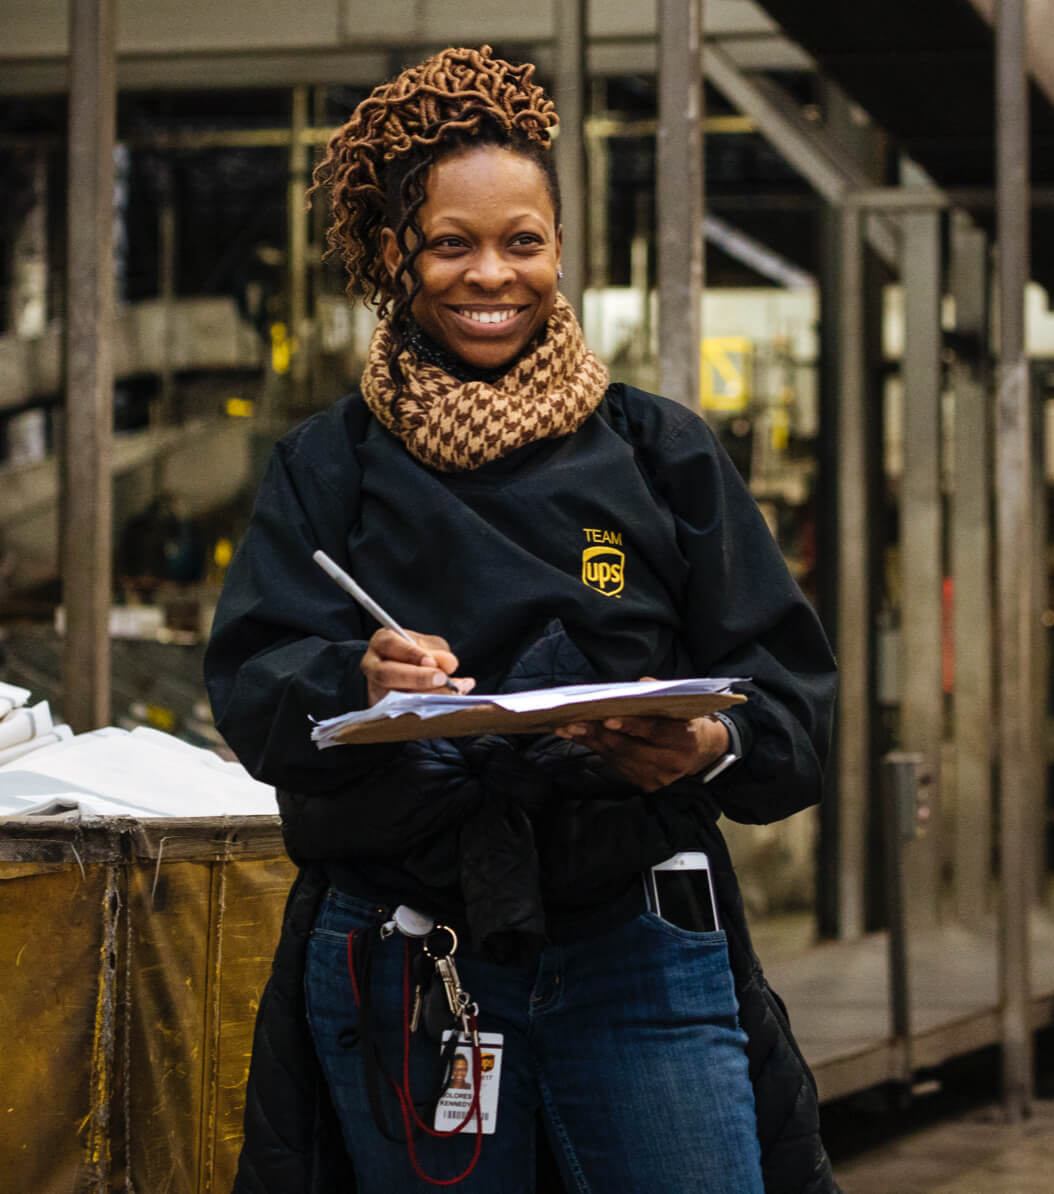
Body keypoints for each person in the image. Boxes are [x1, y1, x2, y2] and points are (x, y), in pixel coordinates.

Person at [205, 45, 839, 1194]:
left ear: (560, 251)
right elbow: (253, 681)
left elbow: (794, 702)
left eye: (522, 242)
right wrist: (358, 677)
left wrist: (708, 742)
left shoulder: (663, 454)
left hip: (643, 943)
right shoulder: (327, 467)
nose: (488, 274)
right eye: (451, 243)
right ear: (400, 254)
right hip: (408, 954)